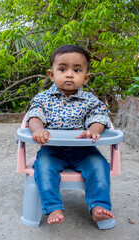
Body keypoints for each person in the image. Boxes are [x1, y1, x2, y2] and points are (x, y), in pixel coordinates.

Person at [27, 45, 115, 225]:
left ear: (86, 78)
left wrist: (94, 129)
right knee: (43, 167)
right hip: (52, 149)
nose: (69, 74)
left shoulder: (90, 100)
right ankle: (53, 207)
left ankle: (99, 207)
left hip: (84, 149)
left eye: (76, 70)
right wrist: (37, 129)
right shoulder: (43, 98)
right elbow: (34, 115)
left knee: (100, 165)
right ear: (51, 75)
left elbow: (100, 116)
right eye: (62, 69)